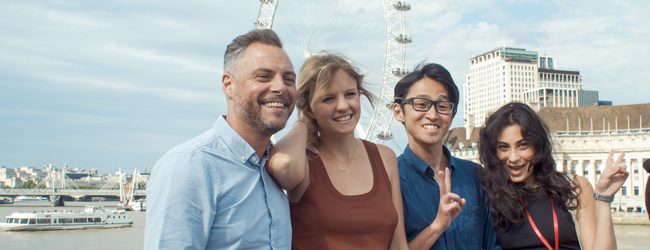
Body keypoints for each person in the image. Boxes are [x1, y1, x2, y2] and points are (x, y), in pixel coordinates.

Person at [144, 29, 296, 249]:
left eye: (289, 79)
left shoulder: (276, 169)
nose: (280, 87)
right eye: (263, 76)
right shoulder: (190, 166)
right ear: (228, 85)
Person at [266, 52, 409, 249]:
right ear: (309, 108)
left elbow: (398, 244)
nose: (343, 106)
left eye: (350, 94)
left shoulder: (385, 158)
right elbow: (283, 165)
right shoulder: (304, 163)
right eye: (328, 99)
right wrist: (303, 122)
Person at [478, 102, 629, 250]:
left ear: (538, 145)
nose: (513, 157)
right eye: (503, 147)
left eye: (522, 145)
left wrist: (603, 198)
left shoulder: (574, 188)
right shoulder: (490, 196)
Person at [391, 63, 500, 250]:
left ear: (452, 114)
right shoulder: (391, 179)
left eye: (442, 106)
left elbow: (492, 243)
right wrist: (438, 225)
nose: (432, 115)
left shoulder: (476, 176)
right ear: (398, 111)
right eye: (422, 104)